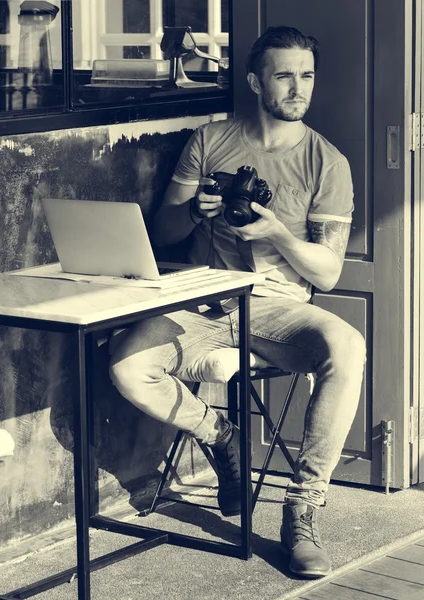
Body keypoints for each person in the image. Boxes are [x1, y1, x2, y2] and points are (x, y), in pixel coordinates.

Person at [109, 26, 366, 579]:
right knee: (126, 365)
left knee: (347, 346)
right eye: (284, 76)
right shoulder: (210, 141)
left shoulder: (328, 163)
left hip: (276, 305)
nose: (299, 88)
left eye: (307, 76)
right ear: (255, 81)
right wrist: (196, 212)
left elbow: (328, 268)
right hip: (202, 296)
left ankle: (302, 508)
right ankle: (219, 436)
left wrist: (276, 233)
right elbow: (164, 232)